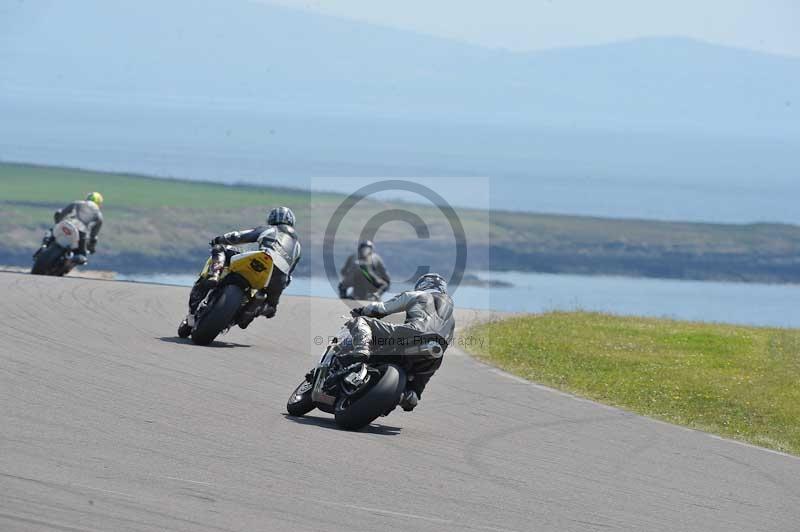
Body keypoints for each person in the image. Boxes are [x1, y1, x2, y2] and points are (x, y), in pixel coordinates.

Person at [181, 206, 301, 330]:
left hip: (263, 258)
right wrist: (274, 297)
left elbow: (238, 236)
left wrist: (219, 239)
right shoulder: (298, 248)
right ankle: (251, 311)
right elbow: (289, 275)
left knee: (220, 248)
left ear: (272, 219)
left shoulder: (269, 230)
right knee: (270, 307)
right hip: (278, 279)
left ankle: (214, 274)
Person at [348, 273, 454, 411]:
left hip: (412, 334)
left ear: (423, 285)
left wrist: (362, 310)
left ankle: (362, 348)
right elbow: (448, 340)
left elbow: (381, 308)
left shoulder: (418, 295)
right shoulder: (451, 315)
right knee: (415, 388)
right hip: (435, 351)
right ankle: (407, 397)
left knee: (360, 321)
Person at [36, 192, 104, 264]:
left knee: (51, 233)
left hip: (66, 225)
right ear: (99, 203)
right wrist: (91, 248)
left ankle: (45, 245)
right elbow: (93, 235)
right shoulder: (99, 215)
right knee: (82, 256)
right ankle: (73, 259)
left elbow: (61, 213)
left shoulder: (77, 203)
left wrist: (58, 223)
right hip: (81, 233)